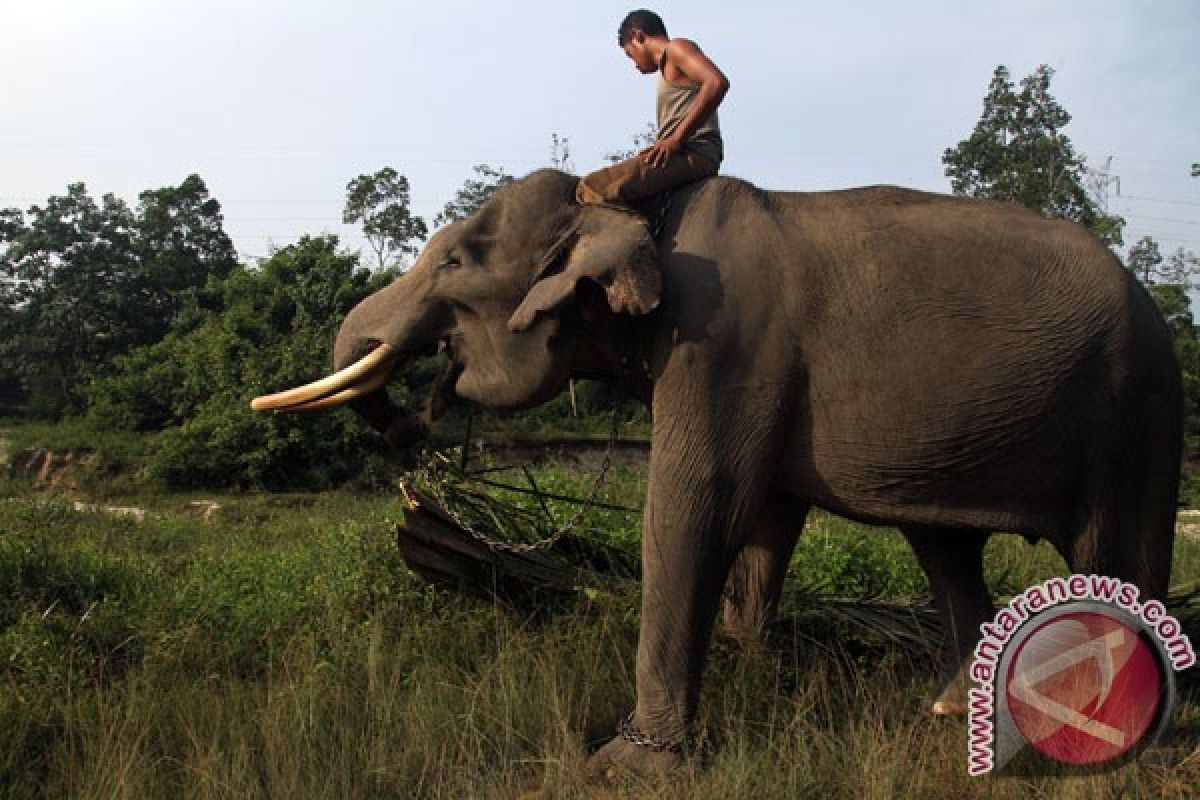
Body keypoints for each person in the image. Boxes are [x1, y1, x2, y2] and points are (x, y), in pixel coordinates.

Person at [576, 10, 729, 209]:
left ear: (638, 37)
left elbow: (716, 83)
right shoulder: (667, 67)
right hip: (679, 153)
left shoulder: (676, 48)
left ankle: (640, 237)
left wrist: (676, 139)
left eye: (631, 55)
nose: (635, 65)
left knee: (593, 188)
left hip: (693, 153)